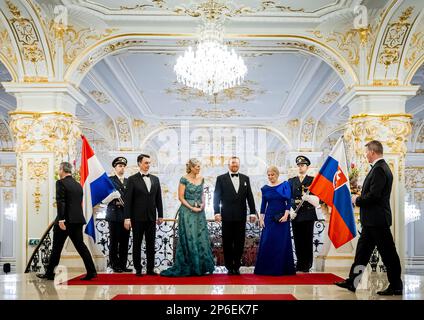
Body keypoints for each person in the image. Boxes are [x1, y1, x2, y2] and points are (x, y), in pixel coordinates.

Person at [335, 140, 403, 295]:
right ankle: (353, 282)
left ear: (372, 152)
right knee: (362, 253)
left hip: (377, 221)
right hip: (372, 221)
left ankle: (396, 286)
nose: (365, 155)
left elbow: (374, 196)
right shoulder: (380, 168)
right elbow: (373, 194)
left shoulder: (379, 169)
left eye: (366, 152)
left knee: (388, 254)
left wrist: (356, 200)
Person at [37, 162, 97, 281]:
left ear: (62, 169)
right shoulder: (78, 185)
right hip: (78, 220)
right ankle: (92, 271)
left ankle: (49, 274)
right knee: (81, 246)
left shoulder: (60, 183)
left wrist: (61, 219)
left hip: (65, 221)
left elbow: (61, 202)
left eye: (59, 169)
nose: (58, 172)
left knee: (56, 248)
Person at [161, 159, 215, 277]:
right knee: (189, 237)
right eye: (196, 166)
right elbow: (181, 197)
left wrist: (203, 204)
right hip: (187, 211)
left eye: (199, 166)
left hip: (200, 212)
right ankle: (191, 266)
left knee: (200, 237)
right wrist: (192, 208)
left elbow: (202, 194)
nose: (199, 168)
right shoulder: (183, 179)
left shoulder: (201, 179)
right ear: (191, 167)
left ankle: (201, 267)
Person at [214, 156, 257, 275]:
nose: (234, 165)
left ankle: (237, 265)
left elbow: (250, 196)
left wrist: (252, 212)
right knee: (227, 241)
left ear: (239, 165)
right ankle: (229, 266)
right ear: (228, 165)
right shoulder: (221, 178)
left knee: (240, 241)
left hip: (241, 216)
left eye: (236, 163)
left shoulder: (245, 178)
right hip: (226, 216)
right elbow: (216, 197)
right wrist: (217, 212)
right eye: (232, 163)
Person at [124, 154, 163, 276]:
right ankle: (138, 269)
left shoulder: (155, 179)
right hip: (137, 218)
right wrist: (127, 218)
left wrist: (160, 215)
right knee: (137, 243)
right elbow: (128, 200)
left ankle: (150, 269)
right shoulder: (132, 179)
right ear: (139, 163)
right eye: (146, 163)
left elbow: (158, 198)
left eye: (149, 163)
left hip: (151, 217)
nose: (148, 165)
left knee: (151, 243)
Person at [254, 166, 295, 276]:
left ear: (277, 175)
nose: (270, 177)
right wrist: (261, 219)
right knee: (267, 241)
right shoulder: (265, 188)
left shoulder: (284, 185)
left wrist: (286, 215)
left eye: (272, 174)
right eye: (269, 175)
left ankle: (281, 269)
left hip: (282, 218)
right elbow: (263, 205)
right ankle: (265, 269)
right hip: (269, 218)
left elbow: (289, 201)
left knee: (281, 243)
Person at [288, 155, 319, 273]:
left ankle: (307, 264)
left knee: (307, 239)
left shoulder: (312, 180)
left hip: (308, 213)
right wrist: (291, 209)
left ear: (307, 167)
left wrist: (309, 198)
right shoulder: (292, 181)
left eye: (303, 165)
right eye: (299, 165)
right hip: (296, 214)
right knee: (298, 239)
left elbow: (318, 197)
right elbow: (289, 197)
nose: (300, 167)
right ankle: (299, 263)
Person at [106, 157, 131, 273]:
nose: (122, 168)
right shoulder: (109, 180)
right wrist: (112, 196)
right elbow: (104, 198)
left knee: (125, 241)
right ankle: (114, 265)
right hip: (114, 214)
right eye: (119, 166)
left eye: (123, 166)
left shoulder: (128, 181)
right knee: (114, 241)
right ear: (115, 167)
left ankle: (123, 264)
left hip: (125, 215)